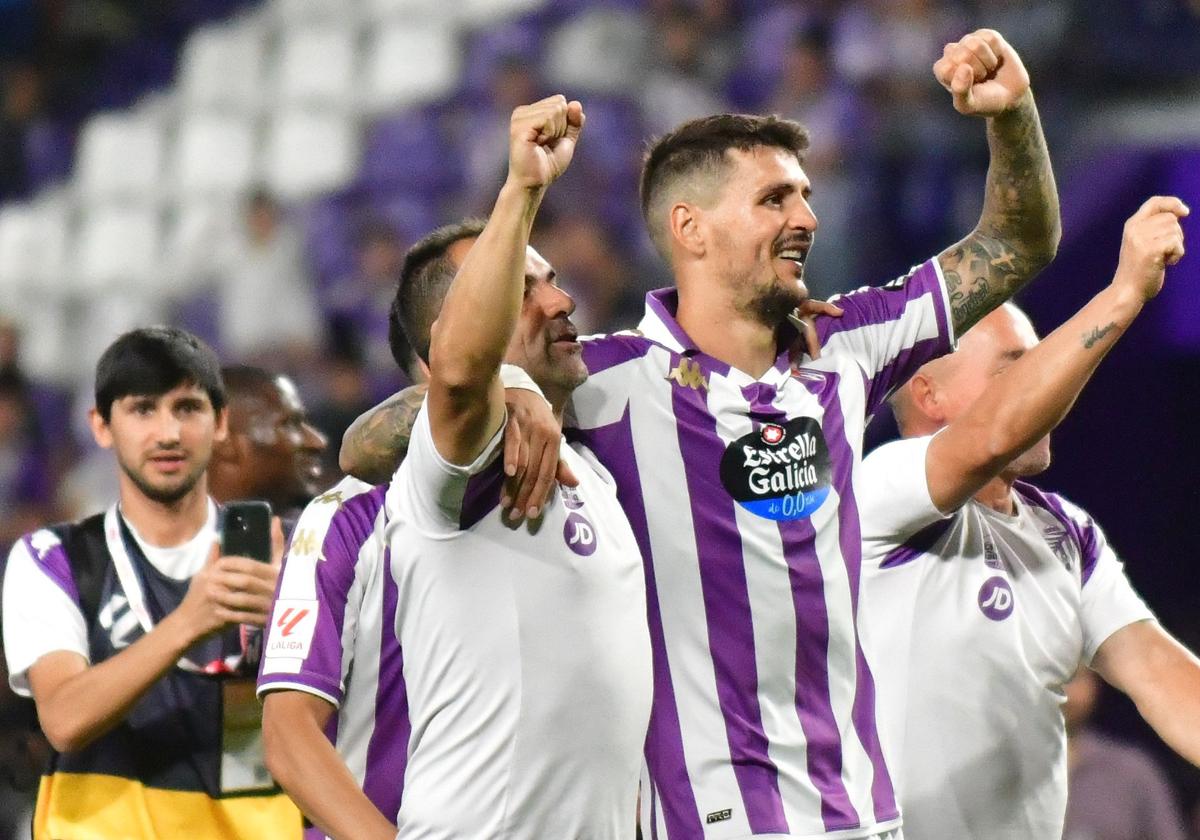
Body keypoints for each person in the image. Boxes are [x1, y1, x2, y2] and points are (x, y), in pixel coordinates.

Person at [341, 30, 1060, 838]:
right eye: (775, 200)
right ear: (691, 228)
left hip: (862, 810)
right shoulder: (604, 380)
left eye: (804, 195)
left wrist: (1012, 115)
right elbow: (367, 446)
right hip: (706, 822)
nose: (806, 218)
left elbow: (1015, 244)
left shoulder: (847, 344)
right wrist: (513, 384)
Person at [857, 197, 1196, 839]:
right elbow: (988, 435)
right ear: (929, 394)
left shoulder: (1065, 532)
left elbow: (1158, 674)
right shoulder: (880, 491)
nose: (1048, 385)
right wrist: (1123, 294)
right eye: (1019, 368)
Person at [0, 327, 301, 839]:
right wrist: (189, 622)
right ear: (101, 426)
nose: (168, 433)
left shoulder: (286, 556)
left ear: (220, 422)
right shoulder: (55, 559)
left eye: (187, 408)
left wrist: (289, 623)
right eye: (143, 410)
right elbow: (65, 719)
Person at [1062, 667, 1188, 840]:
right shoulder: (1012, 768)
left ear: (1095, 684)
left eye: (1073, 677)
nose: (1062, 691)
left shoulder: (1130, 771)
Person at [208, 364, 330, 524]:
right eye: (290, 424)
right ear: (224, 439)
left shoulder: (320, 541)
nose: (317, 442)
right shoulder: (173, 546)